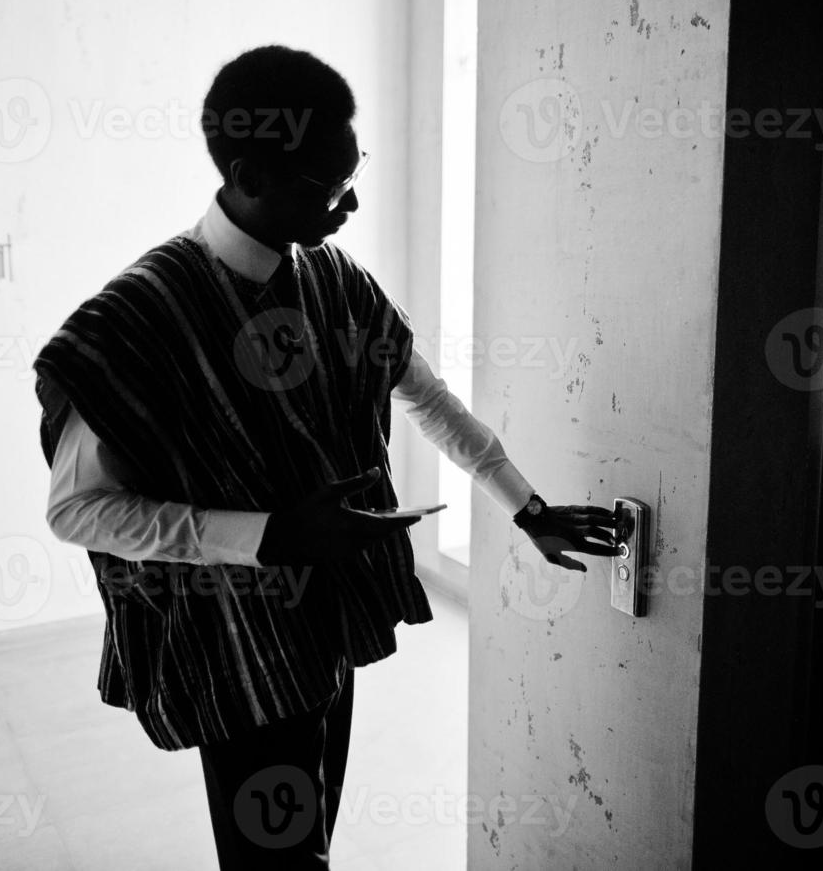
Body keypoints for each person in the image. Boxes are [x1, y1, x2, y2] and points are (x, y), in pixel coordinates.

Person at [33, 45, 620, 869]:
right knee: (270, 855)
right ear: (248, 174)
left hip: (326, 621)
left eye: (354, 174)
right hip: (230, 641)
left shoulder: (337, 281)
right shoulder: (135, 320)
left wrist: (525, 507)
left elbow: (429, 399)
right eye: (328, 186)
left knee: (310, 837)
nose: (349, 205)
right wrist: (269, 537)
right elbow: (77, 511)